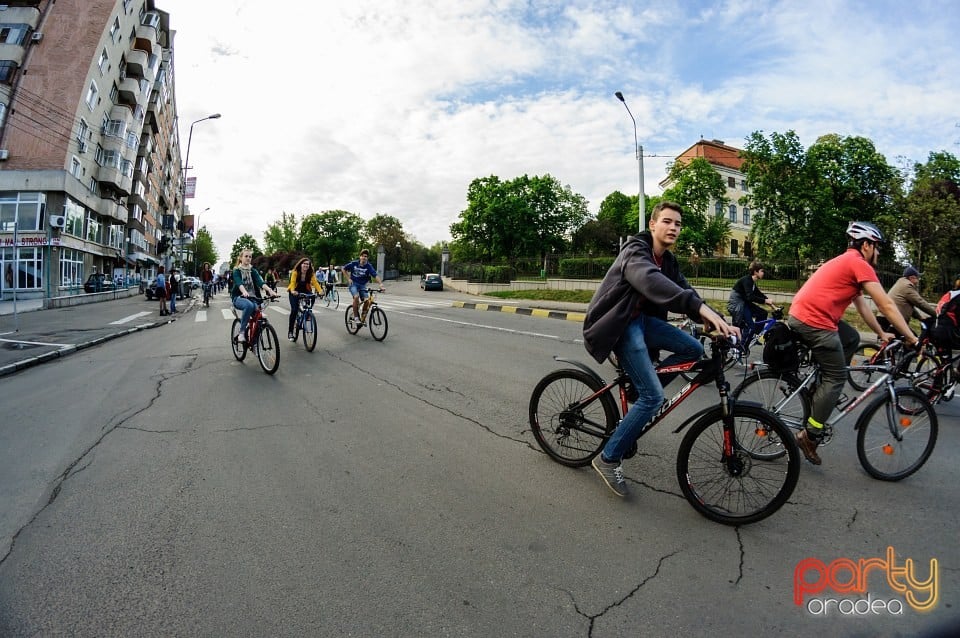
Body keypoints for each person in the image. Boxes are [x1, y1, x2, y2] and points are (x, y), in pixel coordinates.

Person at [582, 201, 740, 497]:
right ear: (652, 225)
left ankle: (638, 389)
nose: (673, 228)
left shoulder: (667, 260)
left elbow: (684, 290)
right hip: (619, 326)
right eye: (667, 221)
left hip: (642, 322)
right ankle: (608, 458)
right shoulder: (635, 252)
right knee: (654, 397)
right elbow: (649, 281)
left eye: (678, 224)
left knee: (693, 349)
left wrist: (713, 318)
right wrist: (699, 309)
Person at [787, 221, 919, 466]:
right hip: (814, 322)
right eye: (876, 247)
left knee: (851, 338)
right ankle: (810, 434)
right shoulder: (858, 263)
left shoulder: (846, 263)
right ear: (866, 245)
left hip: (804, 316)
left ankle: (820, 388)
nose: (878, 253)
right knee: (837, 377)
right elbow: (886, 305)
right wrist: (911, 337)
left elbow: (863, 309)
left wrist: (881, 332)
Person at [231, 248, 278, 343]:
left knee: (260, 317)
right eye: (246, 256)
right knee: (249, 306)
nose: (248, 258)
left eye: (250, 257)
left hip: (253, 297)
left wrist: (270, 290)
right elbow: (239, 283)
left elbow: (260, 282)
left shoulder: (252, 271)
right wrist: (244, 291)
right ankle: (241, 333)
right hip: (239, 298)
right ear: (241, 258)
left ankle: (255, 343)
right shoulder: (236, 271)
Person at [727, 261, 776, 341]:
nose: (763, 273)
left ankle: (754, 336)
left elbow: (759, 294)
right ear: (755, 272)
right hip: (738, 304)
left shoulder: (752, 282)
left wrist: (772, 305)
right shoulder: (747, 280)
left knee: (763, 313)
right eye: (761, 271)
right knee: (750, 327)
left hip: (744, 302)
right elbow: (750, 297)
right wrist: (765, 301)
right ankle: (741, 347)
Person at [884, 266, 938, 335]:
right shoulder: (907, 286)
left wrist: (920, 317)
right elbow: (920, 302)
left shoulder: (901, 283)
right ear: (911, 277)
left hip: (888, 317)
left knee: (907, 340)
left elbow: (907, 305)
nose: (918, 280)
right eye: (917, 278)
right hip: (891, 320)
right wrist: (936, 314)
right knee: (912, 340)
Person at [286, 257, 324, 340]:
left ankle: (307, 313)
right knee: (294, 310)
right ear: (300, 264)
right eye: (304, 264)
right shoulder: (295, 272)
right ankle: (290, 332)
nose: (306, 265)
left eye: (308, 264)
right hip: (295, 291)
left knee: (312, 297)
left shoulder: (310, 273)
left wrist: (320, 291)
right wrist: (292, 291)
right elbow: (292, 282)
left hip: (305, 290)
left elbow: (315, 282)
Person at [343, 249, 384, 324]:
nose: (364, 258)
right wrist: (348, 278)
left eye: (366, 256)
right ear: (360, 257)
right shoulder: (354, 263)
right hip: (353, 284)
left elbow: (375, 275)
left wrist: (381, 284)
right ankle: (356, 317)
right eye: (363, 256)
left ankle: (363, 316)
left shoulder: (368, 266)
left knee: (367, 300)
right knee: (356, 297)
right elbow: (343, 269)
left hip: (362, 285)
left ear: (367, 258)